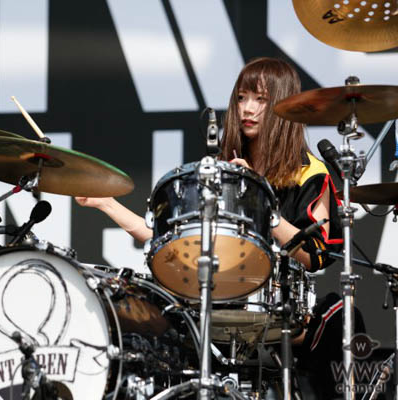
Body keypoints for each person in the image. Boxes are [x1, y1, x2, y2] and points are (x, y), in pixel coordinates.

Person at [76, 57, 364, 398]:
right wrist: (106, 203)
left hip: (280, 310)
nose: (248, 109)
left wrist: (262, 202)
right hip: (214, 303)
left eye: (260, 100)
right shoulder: (221, 170)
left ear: (282, 106)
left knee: (344, 316)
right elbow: (166, 239)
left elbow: (318, 256)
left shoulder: (310, 171)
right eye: (241, 98)